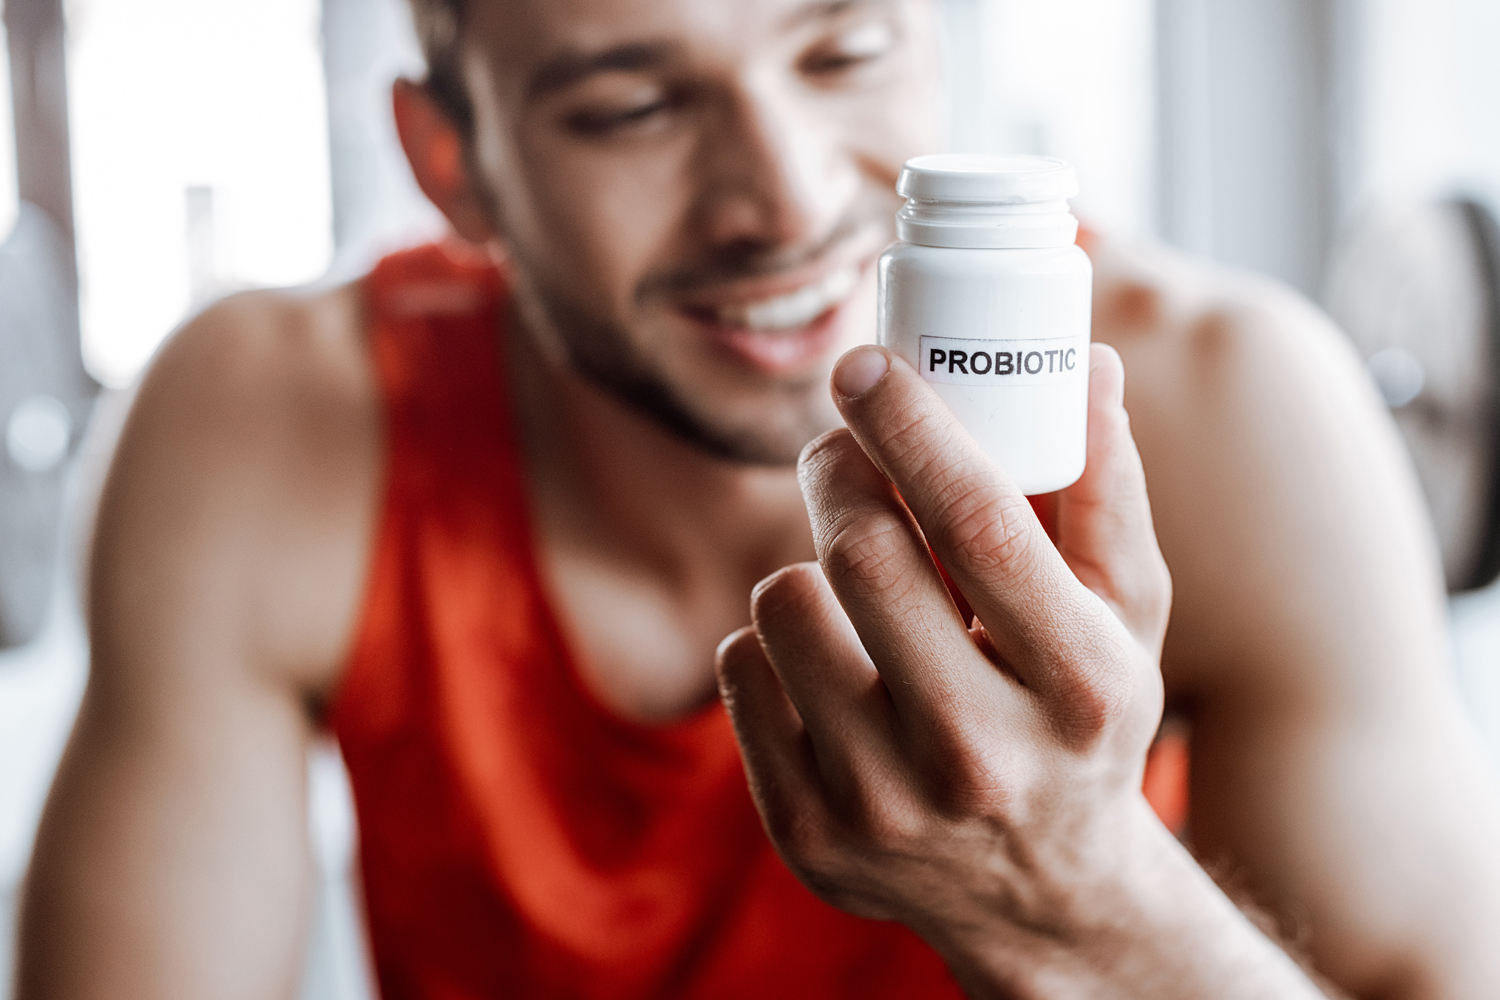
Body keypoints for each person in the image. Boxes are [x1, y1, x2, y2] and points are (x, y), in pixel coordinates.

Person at [18, 0, 1500, 996]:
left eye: (844, 49)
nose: (786, 199)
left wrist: (1079, 896)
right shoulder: (271, 425)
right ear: (452, 161)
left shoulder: (1230, 404)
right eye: (635, 105)